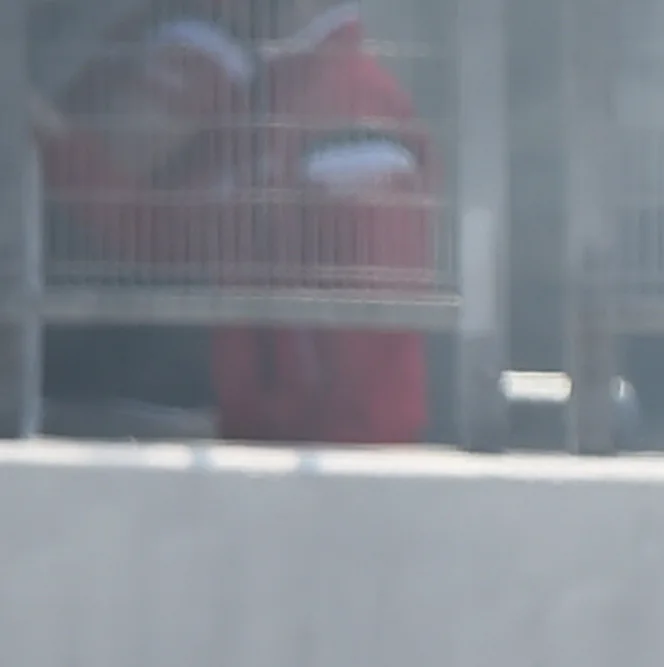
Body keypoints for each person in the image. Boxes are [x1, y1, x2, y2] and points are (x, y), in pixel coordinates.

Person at [33, 0, 433, 443]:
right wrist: (51, 141)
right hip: (271, 445)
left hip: (325, 458)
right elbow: (173, 233)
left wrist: (322, 463)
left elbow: (372, 330)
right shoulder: (273, 87)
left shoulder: (351, 102)